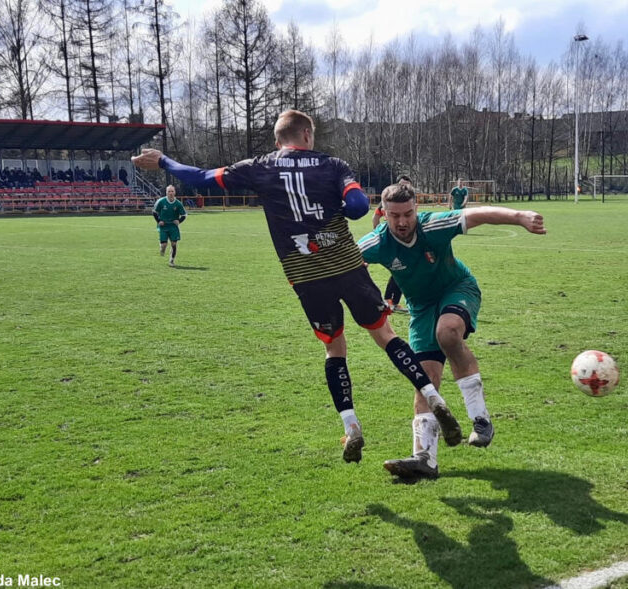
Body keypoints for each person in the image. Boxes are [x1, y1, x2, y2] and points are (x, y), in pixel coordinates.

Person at [131, 109, 462, 465]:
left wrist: (163, 159)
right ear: (308, 135)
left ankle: (351, 427)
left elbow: (201, 178)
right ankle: (434, 398)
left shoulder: (261, 165)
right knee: (385, 334)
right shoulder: (332, 165)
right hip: (346, 265)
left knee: (335, 350)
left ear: (278, 141)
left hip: (305, 275)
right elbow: (357, 207)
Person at [358, 182, 547, 481]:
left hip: (457, 289)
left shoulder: (433, 226)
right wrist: (370, 296)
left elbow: (479, 215)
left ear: (417, 209)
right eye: (394, 216)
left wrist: (520, 215)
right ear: (384, 213)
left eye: (408, 213)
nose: (403, 222)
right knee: (424, 379)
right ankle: (424, 458)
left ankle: (481, 420)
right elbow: (348, 267)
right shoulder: (377, 242)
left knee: (447, 333)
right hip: (420, 308)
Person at [371, 175, 412, 314]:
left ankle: (391, 301)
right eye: (402, 184)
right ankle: (390, 301)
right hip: (393, 241)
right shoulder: (388, 201)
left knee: (401, 269)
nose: (404, 187)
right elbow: (375, 217)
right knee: (399, 269)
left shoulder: (410, 201)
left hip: (406, 241)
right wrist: (379, 235)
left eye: (406, 185)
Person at [153, 184, 187, 267]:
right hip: (163, 226)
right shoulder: (161, 201)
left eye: (172, 191)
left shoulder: (178, 203)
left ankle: (172, 260)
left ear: (174, 192)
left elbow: (184, 215)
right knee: (164, 245)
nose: (170, 193)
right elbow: (154, 212)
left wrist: (179, 221)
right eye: (169, 191)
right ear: (166, 192)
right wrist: (159, 221)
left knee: (174, 244)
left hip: (173, 227)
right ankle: (162, 248)